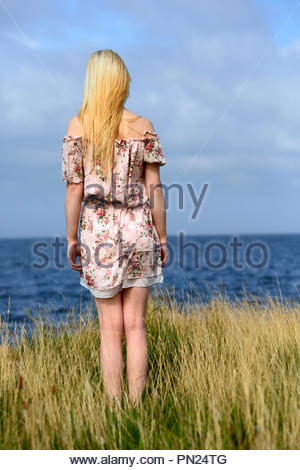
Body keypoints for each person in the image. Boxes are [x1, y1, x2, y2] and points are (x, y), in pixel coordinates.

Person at [61, 49, 168, 406]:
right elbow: (154, 189)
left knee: (110, 329)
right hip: (140, 229)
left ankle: (115, 409)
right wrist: (163, 237)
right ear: (121, 81)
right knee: (136, 325)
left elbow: (75, 188)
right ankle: (138, 407)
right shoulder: (144, 126)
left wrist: (72, 237)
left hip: (99, 233)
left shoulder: (79, 126)